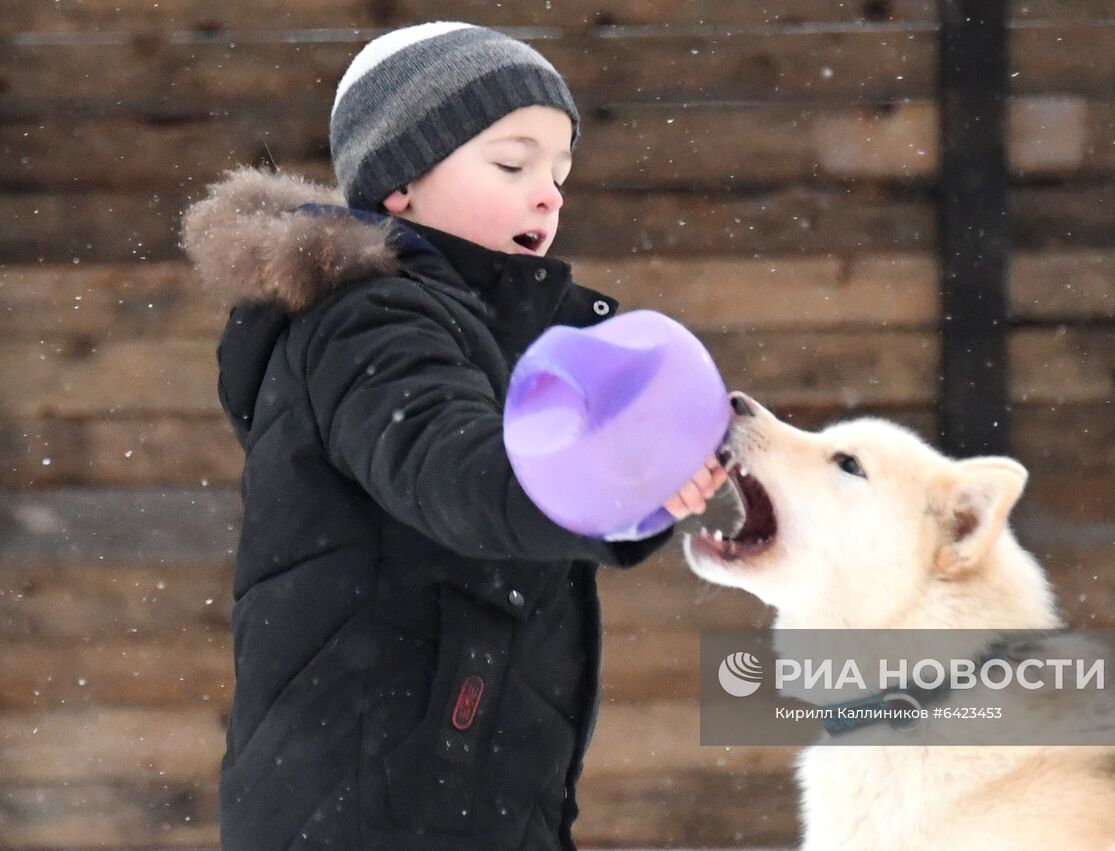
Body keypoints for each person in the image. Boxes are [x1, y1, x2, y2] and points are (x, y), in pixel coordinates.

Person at [179, 21, 727, 850]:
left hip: (473, 811)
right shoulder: (367, 321)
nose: (548, 193)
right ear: (399, 185)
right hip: (367, 817)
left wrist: (649, 467)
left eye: (559, 171)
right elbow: (451, 471)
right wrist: (606, 483)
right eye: (512, 163)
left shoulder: (500, 346)